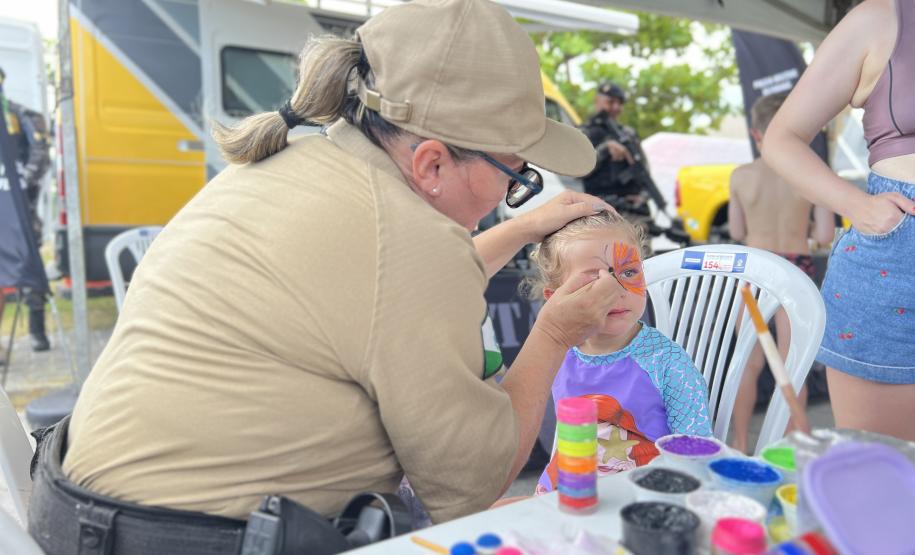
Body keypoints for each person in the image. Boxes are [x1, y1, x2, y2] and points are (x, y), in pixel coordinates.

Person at [28, 1, 625, 553]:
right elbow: (468, 485)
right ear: (433, 162)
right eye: (515, 177)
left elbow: (377, 293)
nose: (510, 197)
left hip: (77, 505)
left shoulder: (295, 162)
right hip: (185, 536)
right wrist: (553, 333)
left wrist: (524, 229)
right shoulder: (408, 241)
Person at [763, 0, 915, 442]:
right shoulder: (881, 17)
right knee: (885, 477)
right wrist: (861, 206)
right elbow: (782, 138)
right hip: (898, 256)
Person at [523, 210, 712, 494]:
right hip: (565, 491)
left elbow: (696, 454)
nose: (617, 290)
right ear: (556, 301)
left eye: (628, 272)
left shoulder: (666, 363)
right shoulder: (556, 352)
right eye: (592, 281)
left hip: (640, 496)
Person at [728, 93, 835, 453]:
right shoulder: (811, 174)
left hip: (754, 271)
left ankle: (741, 444)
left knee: (748, 363)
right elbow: (823, 236)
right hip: (794, 270)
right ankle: (790, 449)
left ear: (756, 135)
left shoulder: (741, 176)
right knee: (793, 362)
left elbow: (736, 231)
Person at [0, 68, 52, 353]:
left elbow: (42, 149)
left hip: (21, 211)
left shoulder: (20, 116)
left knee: (29, 264)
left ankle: (37, 332)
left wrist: (23, 181)